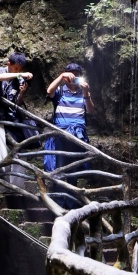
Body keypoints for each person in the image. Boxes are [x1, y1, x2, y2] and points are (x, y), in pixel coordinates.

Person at [44, 63, 94, 206]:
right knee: (59, 168)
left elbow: (90, 111)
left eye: (76, 75)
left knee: (74, 169)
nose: (74, 77)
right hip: (61, 135)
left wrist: (86, 94)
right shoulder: (59, 91)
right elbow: (49, 91)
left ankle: (71, 203)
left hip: (78, 137)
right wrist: (61, 77)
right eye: (71, 74)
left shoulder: (84, 93)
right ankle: (59, 202)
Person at [0, 52, 34, 173]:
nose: (17, 71)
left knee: (20, 149)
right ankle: (1, 182)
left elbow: (17, 103)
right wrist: (19, 74)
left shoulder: (18, 78)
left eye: (20, 69)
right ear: (8, 63)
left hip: (14, 117)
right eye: (15, 68)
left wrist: (21, 93)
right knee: (1, 149)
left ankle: (18, 184)